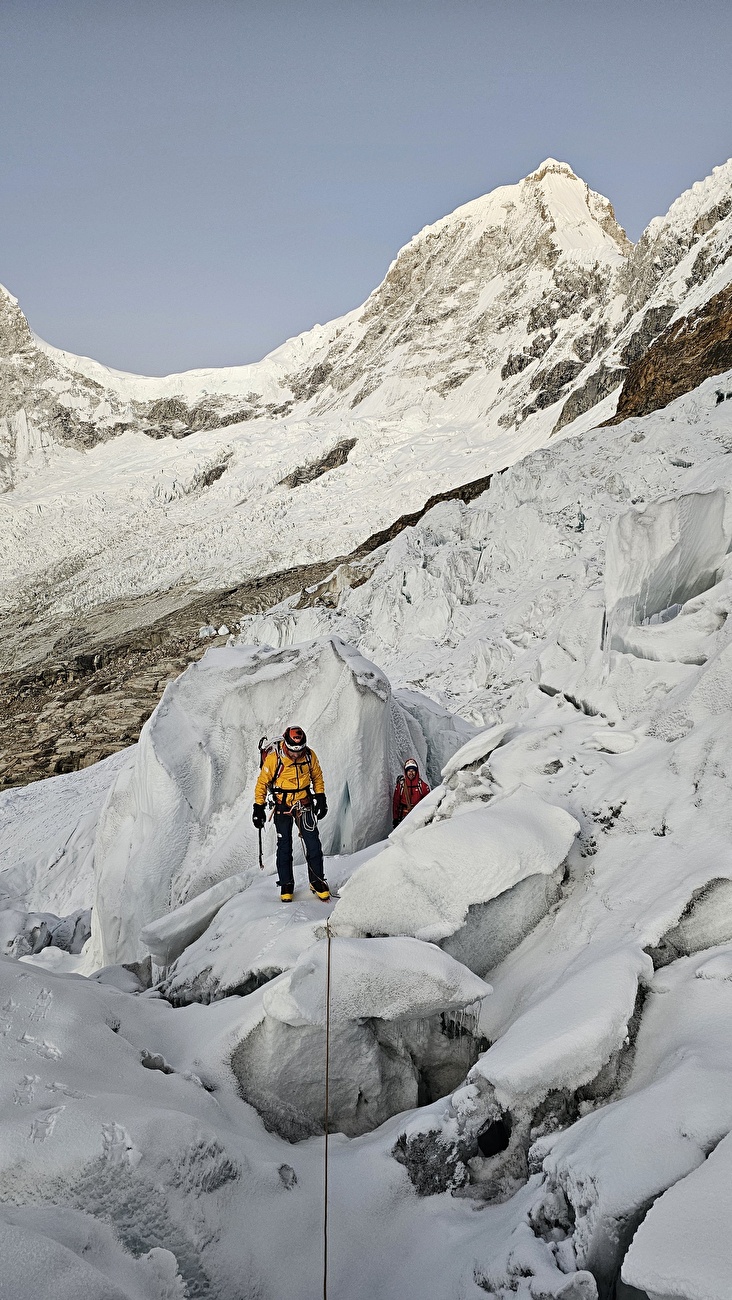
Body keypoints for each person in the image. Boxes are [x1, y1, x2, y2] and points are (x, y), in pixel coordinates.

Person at [253, 725, 330, 902]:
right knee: (285, 845)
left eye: (300, 750)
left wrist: (321, 797)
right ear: (286, 744)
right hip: (282, 805)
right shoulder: (274, 759)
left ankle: (317, 880)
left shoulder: (309, 756)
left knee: (313, 843)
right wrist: (258, 807)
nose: (296, 754)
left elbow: (317, 776)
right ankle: (286, 884)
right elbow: (262, 783)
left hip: (304, 803)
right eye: (293, 750)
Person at [392, 757, 430, 827]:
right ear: (406, 772)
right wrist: (395, 818)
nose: (411, 773)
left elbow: (428, 802)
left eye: (413, 771)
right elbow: (396, 802)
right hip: (403, 817)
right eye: (409, 771)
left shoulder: (423, 786)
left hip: (417, 816)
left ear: (416, 772)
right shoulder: (401, 786)